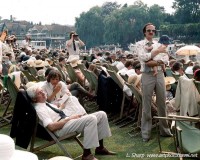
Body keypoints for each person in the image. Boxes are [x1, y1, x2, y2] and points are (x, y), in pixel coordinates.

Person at [26, 84, 116, 160]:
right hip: (60, 129)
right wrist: (69, 119)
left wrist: (64, 100)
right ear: (34, 99)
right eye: (39, 93)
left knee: (102, 114)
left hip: (66, 121)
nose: (43, 93)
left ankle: (100, 148)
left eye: (42, 90)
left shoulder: (45, 104)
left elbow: (58, 111)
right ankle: (87, 155)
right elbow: (52, 127)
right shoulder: (39, 109)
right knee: (91, 119)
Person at [135, 23, 172, 142]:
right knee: (146, 104)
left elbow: (166, 58)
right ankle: (146, 133)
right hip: (147, 75)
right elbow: (143, 57)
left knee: (162, 103)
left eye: (153, 31)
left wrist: (153, 60)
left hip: (160, 74)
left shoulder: (158, 44)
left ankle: (165, 130)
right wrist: (156, 55)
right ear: (144, 32)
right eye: (149, 30)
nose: (151, 32)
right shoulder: (139, 44)